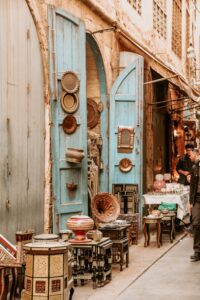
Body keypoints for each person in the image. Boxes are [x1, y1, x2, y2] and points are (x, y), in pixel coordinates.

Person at [189, 148, 200, 262]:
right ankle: (197, 251)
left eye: (191, 154)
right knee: (196, 223)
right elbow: (192, 186)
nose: (190, 156)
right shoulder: (194, 168)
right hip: (197, 199)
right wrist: (190, 202)